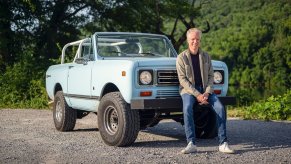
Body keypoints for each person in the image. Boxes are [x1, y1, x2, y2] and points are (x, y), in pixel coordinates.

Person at [176, 28, 234, 154]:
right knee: (187, 108)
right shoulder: (181, 57)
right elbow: (183, 80)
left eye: (197, 39)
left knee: (220, 108)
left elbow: (211, 77)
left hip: (206, 90)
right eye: (192, 39)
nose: (195, 42)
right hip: (189, 91)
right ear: (188, 40)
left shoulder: (206, 56)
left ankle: (223, 143)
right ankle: (191, 143)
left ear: (200, 40)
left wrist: (207, 93)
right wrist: (197, 95)